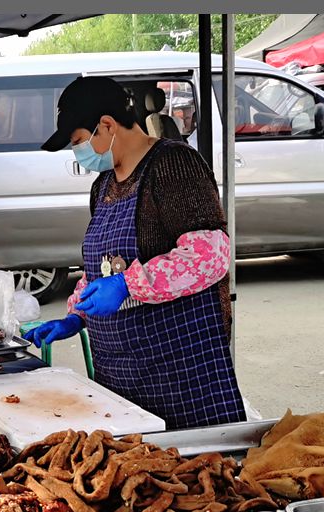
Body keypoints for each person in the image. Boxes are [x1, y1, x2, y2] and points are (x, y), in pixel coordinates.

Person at [27, 77, 245, 430]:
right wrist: (77, 315)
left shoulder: (173, 165)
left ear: (108, 125)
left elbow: (210, 255)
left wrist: (129, 284)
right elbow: (100, 269)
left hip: (181, 371)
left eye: (80, 142)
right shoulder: (103, 186)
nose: (78, 155)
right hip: (119, 369)